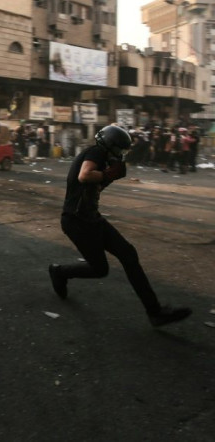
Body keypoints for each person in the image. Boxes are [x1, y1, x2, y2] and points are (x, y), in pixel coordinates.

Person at [48, 124, 192, 327]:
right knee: (99, 269)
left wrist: (109, 175)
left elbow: (92, 187)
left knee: (128, 255)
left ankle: (155, 311)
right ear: (109, 144)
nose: (121, 155)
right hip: (76, 221)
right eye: (119, 150)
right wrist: (109, 175)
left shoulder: (104, 159)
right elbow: (84, 175)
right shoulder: (96, 151)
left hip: (91, 219)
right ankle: (59, 272)